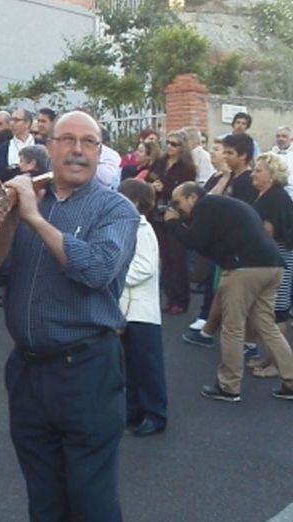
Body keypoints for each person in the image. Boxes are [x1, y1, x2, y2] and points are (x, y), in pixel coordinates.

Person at [0, 111, 138, 521]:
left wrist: (33, 218)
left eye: (89, 142)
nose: (78, 150)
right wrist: (10, 218)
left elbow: (97, 269)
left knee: (91, 500)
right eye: (67, 140)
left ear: (100, 152)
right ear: (50, 147)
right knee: (43, 497)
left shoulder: (116, 209)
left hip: (86, 371)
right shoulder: (31, 200)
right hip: (28, 372)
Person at [165, 182, 293, 402]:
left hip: (244, 268)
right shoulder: (223, 206)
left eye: (178, 203)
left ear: (192, 197)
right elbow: (205, 244)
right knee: (266, 324)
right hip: (273, 265)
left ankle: (229, 386)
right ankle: (291, 379)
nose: (176, 208)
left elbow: (194, 242)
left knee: (232, 327)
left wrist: (173, 223)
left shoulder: (206, 206)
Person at [116, 178, 167, 438]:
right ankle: (134, 411)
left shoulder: (142, 229)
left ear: (135, 202)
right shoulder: (129, 226)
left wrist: (114, 276)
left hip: (141, 311)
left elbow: (145, 267)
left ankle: (155, 415)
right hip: (129, 309)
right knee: (131, 364)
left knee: (147, 365)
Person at [242, 153, 293, 377]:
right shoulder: (266, 195)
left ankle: (278, 365)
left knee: (278, 312)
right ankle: (269, 358)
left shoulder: (276, 198)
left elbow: (267, 233)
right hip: (270, 259)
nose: (253, 174)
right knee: (266, 311)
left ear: (272, 175)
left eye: (258, 170)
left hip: (278, 259)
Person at [152, 130, 196, 315]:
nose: (169, 147)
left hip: (177, 214)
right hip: (158, 213)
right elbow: (150, 176)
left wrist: (165, 188)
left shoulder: (187, 168)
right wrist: (153, 185)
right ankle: (170, 297)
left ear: (182, 148)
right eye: (168, 143)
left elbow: (186, 191)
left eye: (174, 144)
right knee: (165, 258)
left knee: (177, 258)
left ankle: (181, 299)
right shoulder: (161, 162)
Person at [0, 108, 39, 182]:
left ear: (27, 123)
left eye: (16, 120)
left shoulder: (40, 144)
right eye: (11, 120)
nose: (12, 123)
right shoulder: (4, 147)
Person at [222, 132, 258, 203]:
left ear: (243, 156)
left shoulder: (248, 181)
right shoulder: (228, 176)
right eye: (224, 152)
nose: (225, 156)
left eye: (230, 153)